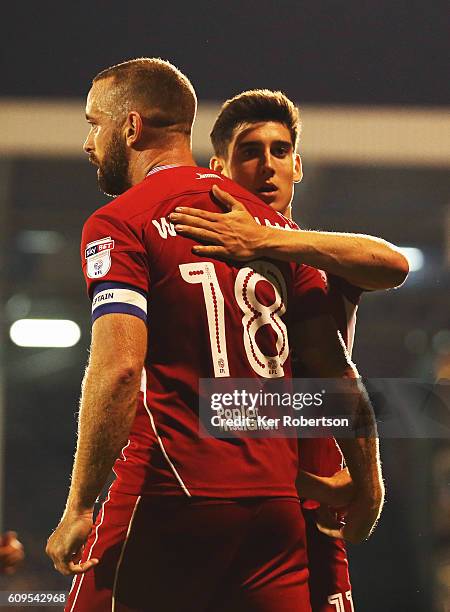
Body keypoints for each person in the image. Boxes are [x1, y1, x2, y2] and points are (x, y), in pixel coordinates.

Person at [46, 61, 383, 612]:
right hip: (277, 508)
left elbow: (120, 368)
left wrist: (80, 507)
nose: (88, 141)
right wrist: (368, 484)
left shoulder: (120, 222)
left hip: (171, 491)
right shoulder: (274, 231)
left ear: (130, 128)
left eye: (93, 123)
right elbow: (336, 370)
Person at [169, 89, 408, 611]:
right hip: (214, 479)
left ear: (298, 165)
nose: (268, 165)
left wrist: (269, 241)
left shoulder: (316, 255)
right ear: (219, 167)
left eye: (280, 152)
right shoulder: (195, 250)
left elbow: (392, 265)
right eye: (250, 151)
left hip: (311, 482)